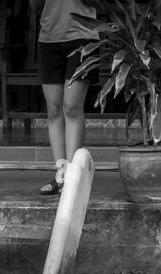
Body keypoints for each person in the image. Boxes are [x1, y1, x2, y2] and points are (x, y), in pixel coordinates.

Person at [30, 0, 98, 196]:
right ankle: (60, 174)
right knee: (53, 110)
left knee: (71, 107)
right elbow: (36, 7)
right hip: (49, 38)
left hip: (82, 36)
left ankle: (73, 177)